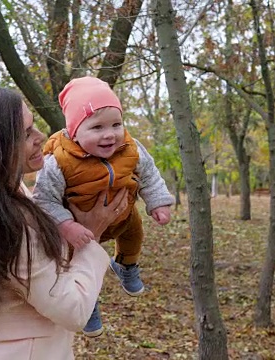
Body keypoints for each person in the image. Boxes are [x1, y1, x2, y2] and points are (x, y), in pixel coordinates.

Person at [0, 85, 129, 359]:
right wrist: (91, 235)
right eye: (26, 134)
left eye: (34, 126)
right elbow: (72, 310)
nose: (40, 137)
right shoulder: (9, 223)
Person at [33, 76, 175, 337]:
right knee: (77, 263)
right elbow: (44, 199)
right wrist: (66, 225)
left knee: (135, 233)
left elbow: (150, 174)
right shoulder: (58, 162)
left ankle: (126, 265)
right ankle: (88, 304)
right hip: (79, 228)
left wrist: (158, 202)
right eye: (97, 127)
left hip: (123, 216)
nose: (110, 134)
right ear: (74, 131)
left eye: (116, 124)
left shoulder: (130, 148)